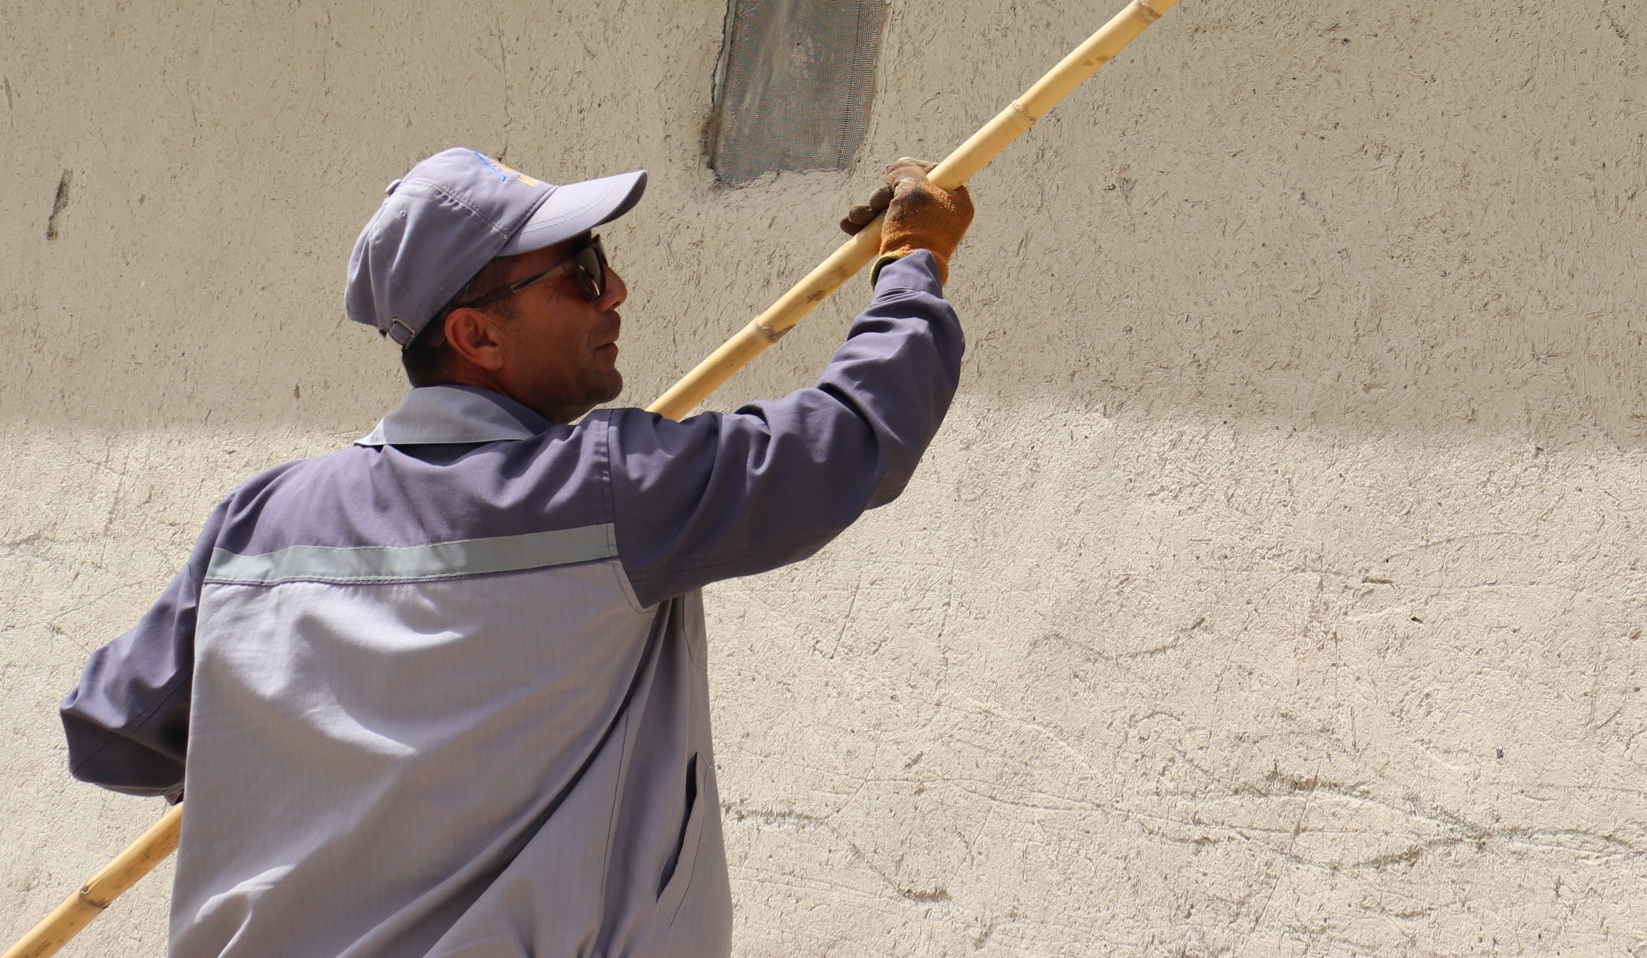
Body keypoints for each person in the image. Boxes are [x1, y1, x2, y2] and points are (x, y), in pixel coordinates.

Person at [58, 145, 973, 958]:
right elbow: (852, 438)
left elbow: (112, 731)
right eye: (582, 271)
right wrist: (912, 264)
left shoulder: (256, 522)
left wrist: (309, 768)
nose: (615, 290)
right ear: (476, 335)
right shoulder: (605, 493)